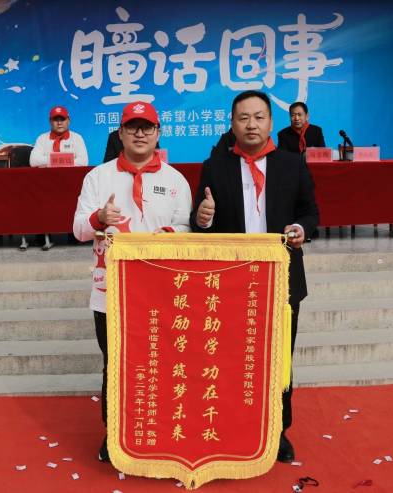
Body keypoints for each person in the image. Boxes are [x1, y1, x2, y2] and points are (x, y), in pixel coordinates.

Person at [190, 90, 319, 463]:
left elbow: (310, 212)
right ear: (232, 124)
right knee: (231, 358)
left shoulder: (292, 164)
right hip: (231, 281)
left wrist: (300, 228)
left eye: (259, 117)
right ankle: (231, 425)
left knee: (279, 359)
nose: (251, 125)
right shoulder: (215, 166)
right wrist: (204, 218)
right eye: (243, 117)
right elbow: (199, 224)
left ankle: (278, 430)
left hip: (282, 278)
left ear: (270, 122)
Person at [73, 101, 192, 464]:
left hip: (162, 291)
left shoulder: (175, 180)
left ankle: (160, 430)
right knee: (117, 364)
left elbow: (186, 227)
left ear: (158, 133)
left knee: (162, 361)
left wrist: (170, 234)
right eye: (133, 127)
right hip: (111, 292)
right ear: (121, 133)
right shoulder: (98, 178)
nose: (140, 134)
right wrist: (99, 217)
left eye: (147, 127)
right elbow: (78, 229)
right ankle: (115, 434)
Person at [27, 105, 89, 251]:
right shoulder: (42, 138)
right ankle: (43, 235)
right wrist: (61, 159)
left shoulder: (77, 138)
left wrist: (49, 160)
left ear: (69, 120)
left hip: (70, 186)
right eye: (56, 119)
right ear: (50, 122)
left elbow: (83, 161)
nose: (59, 122)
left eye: (62, 119)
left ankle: (73, 234)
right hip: (46, 186)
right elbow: (33, 161)